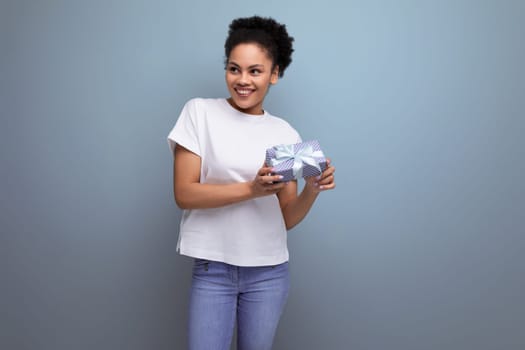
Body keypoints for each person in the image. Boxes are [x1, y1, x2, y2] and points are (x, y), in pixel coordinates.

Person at [167, 15, 336, 350]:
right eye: (234, 69)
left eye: (255, 71)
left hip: (269, 273)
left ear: (274, 74)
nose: (243, 80)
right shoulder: (199, 113)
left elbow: (285, 216)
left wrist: (312, 190)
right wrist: (251, 189)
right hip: (214, 268)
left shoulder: (285, 134)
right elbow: (184, 193)